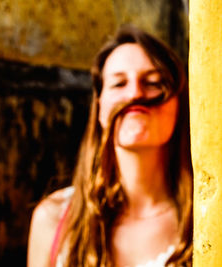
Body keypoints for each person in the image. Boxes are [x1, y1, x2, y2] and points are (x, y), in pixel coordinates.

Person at [27, 24, 192, 267]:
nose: (135, 94)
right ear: (99, 105)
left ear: (179, 103)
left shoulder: (204, 220)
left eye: (154, 82)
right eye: (118, 84)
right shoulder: (54, 220)